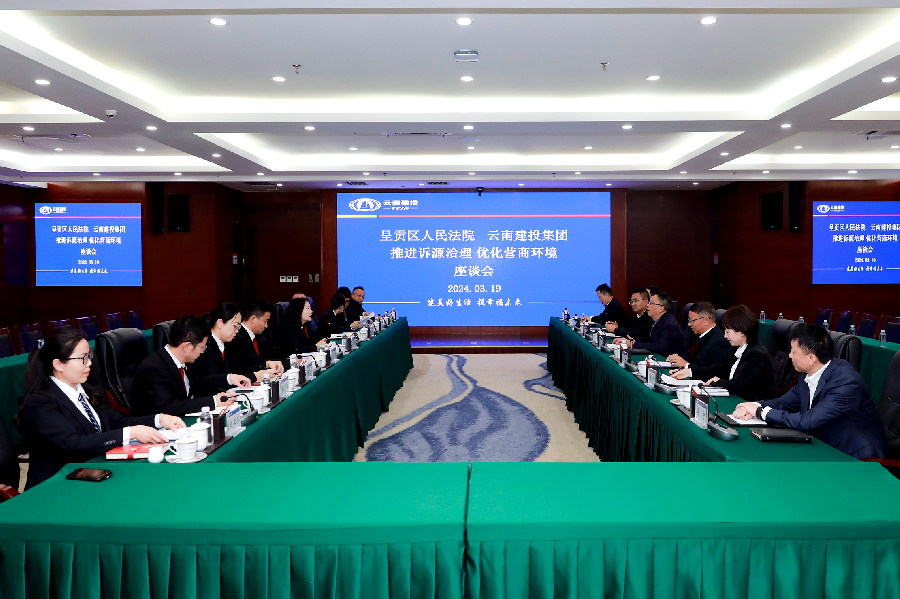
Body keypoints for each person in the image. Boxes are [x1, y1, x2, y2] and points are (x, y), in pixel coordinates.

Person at [16, 329, 186, 489]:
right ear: (58, 364)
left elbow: (117, 422)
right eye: (83, 358)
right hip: (58, 485)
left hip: (93, 474)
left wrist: (159, 419)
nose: (90, 363)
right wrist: (131, 433)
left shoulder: (86, 390)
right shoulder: (40, 402)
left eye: (89, 356)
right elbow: (73, 443)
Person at [733, 323, 888, 459]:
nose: (789, 356)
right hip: (824, 447)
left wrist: (760, 411)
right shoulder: (807, 374)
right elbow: (783, 403)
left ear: (811, 358)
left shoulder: (846, 383)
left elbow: (807, 422)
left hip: (857, 458)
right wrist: (751, 406)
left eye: (793, 352)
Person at [131, 315, 238, 417]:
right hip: (157, 427)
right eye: (202, 347)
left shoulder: (182, 360)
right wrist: (214, 401)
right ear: (187, 346)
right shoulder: (153, 368)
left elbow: (199, 383)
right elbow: (169, 407)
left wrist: (229, 378)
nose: (202, 352)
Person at [673, 304, 775, 404]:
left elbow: (736, 386)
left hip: (755, 406)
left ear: (741, 331)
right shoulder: (739, 348)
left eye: (727, 331)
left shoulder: (756, 354)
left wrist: (718, 381)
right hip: (739, 401)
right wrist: (690, 372)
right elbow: (721, 369)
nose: (725, 336)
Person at [191, 302, 272, 388]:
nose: (237, 331)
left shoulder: (224, 345)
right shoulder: (204, 346)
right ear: (220, 323)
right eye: (235, 326)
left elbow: (238, 371)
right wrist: (255, 376)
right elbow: (213, 380)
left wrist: (261, 371)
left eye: (238, 327)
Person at [617, 291, 686, 357]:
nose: (647, 305)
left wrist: (634, 344)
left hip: (674, 362)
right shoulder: (658, 320)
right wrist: (630, 341)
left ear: (661, 308)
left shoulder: (670, 325)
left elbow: (660, 348)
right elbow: (648, 339)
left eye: (651, 303)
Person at [667, 301, 733, 370]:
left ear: (706, 321)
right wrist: (678, 359)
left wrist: (686, 365)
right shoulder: (699, 335)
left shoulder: (720, 342)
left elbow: (713, 372)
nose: (689, 324)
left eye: (692, 320)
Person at [229, 300, 284, 375]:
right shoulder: (239, 339)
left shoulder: (254, 335)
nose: (266, 326)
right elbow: (255, 362)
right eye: (265, 321)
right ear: (253, 319)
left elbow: (263, 357)